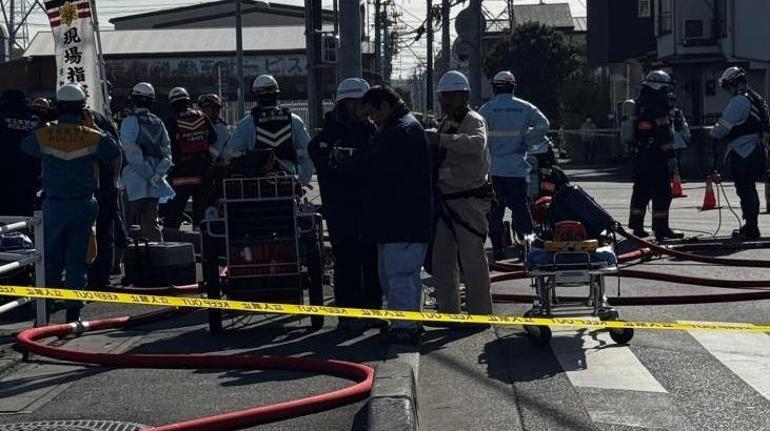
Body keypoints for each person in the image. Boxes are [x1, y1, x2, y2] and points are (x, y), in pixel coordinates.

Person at [21, 84, 120, 322]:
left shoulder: (45, 134)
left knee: (49, 259)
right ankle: (73, 314)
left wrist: (44, 121)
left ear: (58, 106)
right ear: (82, 108)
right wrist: (94, 126)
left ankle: (43, 314)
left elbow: (26, 147)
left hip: (53, 205)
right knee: (77, 259)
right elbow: (114, 152)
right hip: (83, 205)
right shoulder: (91, 135)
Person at [345, 86, 433, 345]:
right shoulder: (404, 127)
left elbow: (379, 167)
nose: (371, 119)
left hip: (401, 219)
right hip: (403, 218)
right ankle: (410, 322)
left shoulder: (400, 131)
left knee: (399, 274)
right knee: (401, 274)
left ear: (384, 106)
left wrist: (354, 162)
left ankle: (404, 326)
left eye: (372, 113)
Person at [308, 78, 382, 332]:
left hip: (370, 209)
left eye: (361, 103)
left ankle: (373, 312)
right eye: (351, 103)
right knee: (347, 262)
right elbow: (320, 156)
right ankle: (348, 316)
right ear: (341, 104)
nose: (357, 109)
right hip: (342, 211)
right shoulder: (329, 133)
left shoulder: (374, 131)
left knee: (372, 262)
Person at [424, 71, 493, 324]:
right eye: (444, 96)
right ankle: (448, 311)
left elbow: (476, 144)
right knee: (442, 260)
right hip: (447, 200)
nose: (447, 100)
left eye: (452, 95)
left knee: (472, 260)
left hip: (468, 200)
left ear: (464, 96)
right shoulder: (446, 122)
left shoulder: (474, 120)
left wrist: (441, 139)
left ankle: (480, 314)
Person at [479, 70, 550, 260]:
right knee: (521, 208)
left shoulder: (486, 109)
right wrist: (527, 140)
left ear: (494, 88)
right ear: (513, 87)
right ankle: (526, 248)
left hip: (493, 170)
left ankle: (498, 249)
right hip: (517, 168)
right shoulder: (525, 108)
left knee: (495, 210)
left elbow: (478, 136)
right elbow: (544, 124)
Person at [710, 66, 769, 239]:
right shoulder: (755, 98)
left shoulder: (739, 101)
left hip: (743, 151)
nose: (727, 90)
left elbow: (723, 127)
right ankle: (752, 225)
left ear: (736, 83)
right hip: (754, 149)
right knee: (750, 188)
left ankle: (751, 228)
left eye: (728, 85)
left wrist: (713, 131)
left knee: (745, 189)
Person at [224, 75, 314, 184]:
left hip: (255, 185)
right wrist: (302, 181)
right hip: (287, 183)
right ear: (277, 94)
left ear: (255, 96)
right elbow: (309, 152)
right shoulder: (294, 120)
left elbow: (229, 154)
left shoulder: (245, 124)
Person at [627, 70, 684, 241]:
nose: (668, 93)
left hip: (640, 156)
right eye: (666, 89)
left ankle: (637, 226)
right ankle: (661, 229)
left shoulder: (640, 105)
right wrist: (672, 157)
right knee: (662, 193)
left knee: (641, 192)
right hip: (656, 158)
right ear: (658, 87)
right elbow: (664, 136)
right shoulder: (658, 109)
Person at [120, 82, 175, 241]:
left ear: (134, 100)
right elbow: (167, 152)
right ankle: (159, 263)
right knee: (152, 226)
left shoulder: (129, 122)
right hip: (155, 184)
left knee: (124, 226)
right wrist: (157, 174)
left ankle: (119, 264)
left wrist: (148, 174)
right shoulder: (158, 123)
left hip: (133, 182)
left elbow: (131, 154)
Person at [162, 87, 218, 230]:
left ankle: (173, 239)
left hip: (183, 173)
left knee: (173, 213)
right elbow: (213, 138)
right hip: (204, 171)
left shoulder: (172, 121)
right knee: (201, 213)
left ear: (173, 104)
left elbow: (169, 146)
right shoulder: (202, 116)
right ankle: (202, 242)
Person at [0, 89, 39, 217]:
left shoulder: (2, 116)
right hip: (29, 176)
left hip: (4, 174)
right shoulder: (35, 120)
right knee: (26, 216)